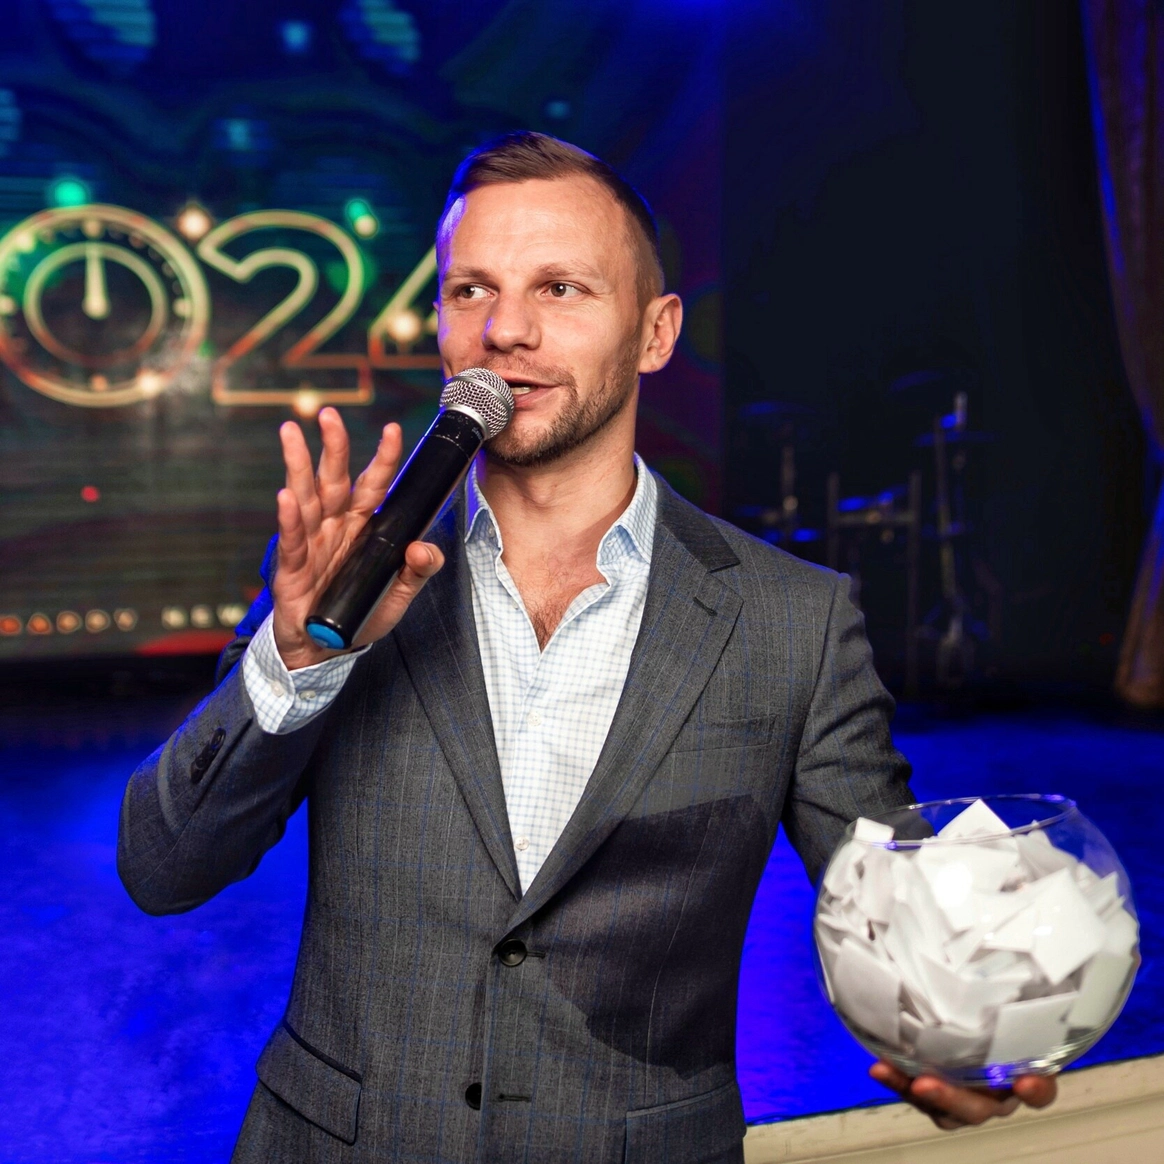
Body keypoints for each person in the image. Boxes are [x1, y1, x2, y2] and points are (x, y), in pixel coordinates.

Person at [118, 132, 1055, 1162]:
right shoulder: (351, 573)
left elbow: (895, 909)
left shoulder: (793, 620)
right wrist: (301, 658)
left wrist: (966, 1039)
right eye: (471, 289)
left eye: (560, 288)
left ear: (655, 333)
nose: (505, 329)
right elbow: (165, 867)